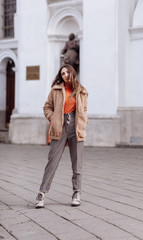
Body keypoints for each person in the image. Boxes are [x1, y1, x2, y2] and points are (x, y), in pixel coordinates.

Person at [35, 64, 88, 208]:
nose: (65, 75)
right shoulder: (56, 90)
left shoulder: (82, 91)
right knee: (52, 161)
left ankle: (76, 193)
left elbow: (84, 109)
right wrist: (54, 118)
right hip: (60, 127)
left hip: (76, 127)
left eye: (67, 72)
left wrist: (84, 122)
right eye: (62, 73)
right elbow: (47, 107)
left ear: (72, 73)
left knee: (77, 164)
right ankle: (41, 193)